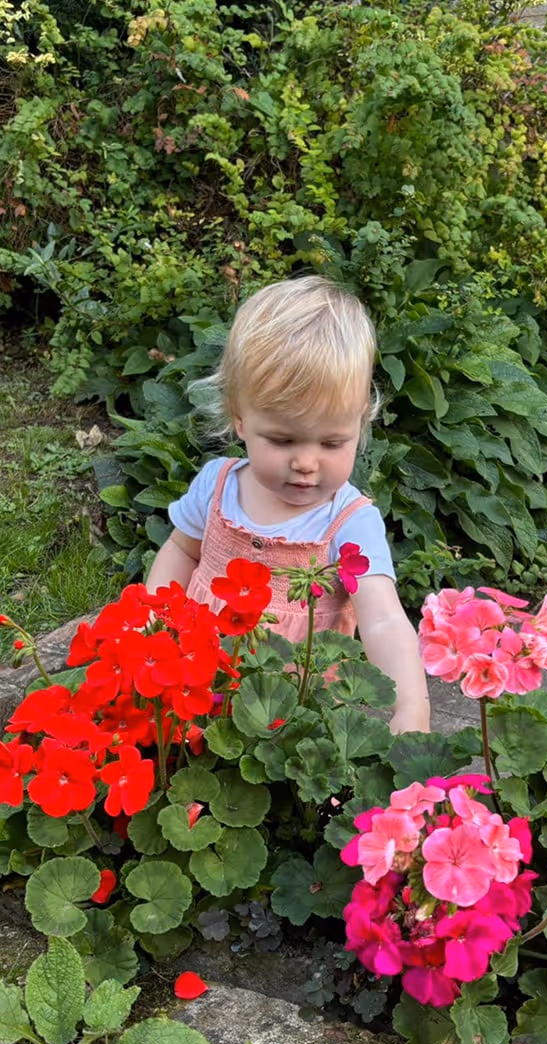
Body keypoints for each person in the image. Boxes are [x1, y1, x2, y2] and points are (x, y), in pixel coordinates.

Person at [146, 275, 431, 734]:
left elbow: (382, 621)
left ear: (361, 422)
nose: (305, 462)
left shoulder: (350, 523)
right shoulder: (217, 486)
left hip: (297, 716)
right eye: (282, 439)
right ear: (239, 419)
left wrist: (411, 709)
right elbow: (182, 551)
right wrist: (151, 624)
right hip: (194, 682)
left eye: (332, 442)